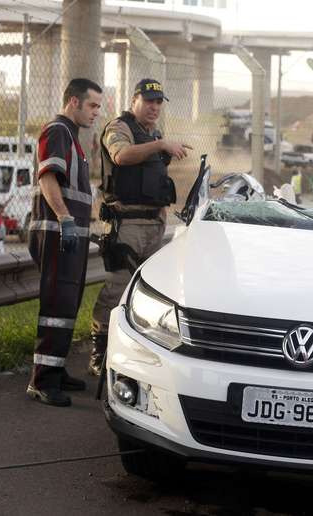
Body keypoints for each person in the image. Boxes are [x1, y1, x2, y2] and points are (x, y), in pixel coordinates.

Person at [88, 79, 190, 376]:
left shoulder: (153, 133)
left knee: (145, 295)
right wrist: (160, 145)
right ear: (135, 100)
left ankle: (132, 351)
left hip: (153, 225)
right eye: (149, 101)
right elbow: (121, 156)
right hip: (127, 224)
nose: (154, 107)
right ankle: (100, 350)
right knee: (116, 289)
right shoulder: (119, 128)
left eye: (159, 102)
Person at [26, 78, 103, 407]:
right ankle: (42, 381)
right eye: (92, 105)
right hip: (59, 234)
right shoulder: (57, 131)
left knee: (67, 305)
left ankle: (55, 371)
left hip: (71, 237)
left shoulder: (72, 137)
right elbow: (47, 177)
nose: (96, 112)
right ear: (74, 101)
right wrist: (65, 219)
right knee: (56, 307)